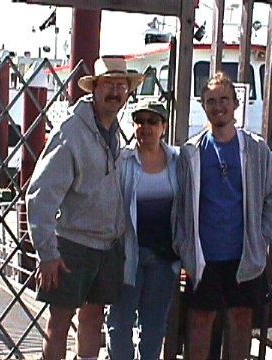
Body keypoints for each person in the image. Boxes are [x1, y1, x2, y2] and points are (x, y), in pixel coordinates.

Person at [25, 56, 144, 360]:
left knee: (93, 320)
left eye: (121, 86)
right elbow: (40, 195)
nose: (116, 92)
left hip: (107, 246)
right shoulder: (71, 131)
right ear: (95, 89)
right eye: (109, 85)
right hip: (72, 247)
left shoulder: (114, 130)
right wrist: (48, 254)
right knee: (60, 322)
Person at [174, 71, 272, 360]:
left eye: (224, 99)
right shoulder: (191, 152)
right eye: (211, 100)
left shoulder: (257, 149)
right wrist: (184, 245)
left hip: (244, 254)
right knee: (200, 322)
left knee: (241, 320)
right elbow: (179, 203)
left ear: (236, 104)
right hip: (204, 256)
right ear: (203, 105)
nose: (218, 106)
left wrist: (261, 238)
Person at [106, 100, 180, 360]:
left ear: (163, 126)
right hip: (128, 255)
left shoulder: (179, 161)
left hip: (164, 259)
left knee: (155, 326)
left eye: (152, 121)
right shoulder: (122, 160)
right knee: (120, 321)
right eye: (140, 121)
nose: (146, 126)